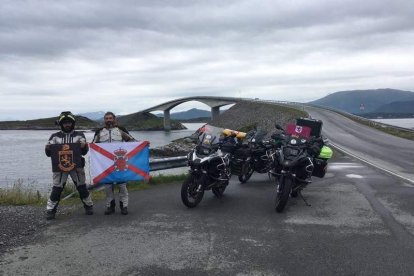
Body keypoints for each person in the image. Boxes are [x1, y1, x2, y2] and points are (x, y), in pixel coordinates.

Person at [45, 111, 93, 220]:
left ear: (73, 123)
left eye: (69, 122)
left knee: (82, 187)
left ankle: (88, 205)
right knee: (57, 188)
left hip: (77, 166)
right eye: (65, 122)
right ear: (61, 123)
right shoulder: (54, 136)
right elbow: (49, 154)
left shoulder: (80, 135)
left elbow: (84, 152)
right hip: (60, 167)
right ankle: (50, 209)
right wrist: (47, 148)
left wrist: (84, 146)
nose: (67, 124)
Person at [92, 111, 135, 215]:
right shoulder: (99, 132)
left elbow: (132, 141)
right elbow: (93, 146)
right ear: (104, 120)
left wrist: (143, 144)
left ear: (114, 119)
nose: (108, 120)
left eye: (110, 118)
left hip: (120, 163)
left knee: (122, 186)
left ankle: (124, 206)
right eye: (106, 118)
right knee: (108, 187)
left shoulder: (121, 130)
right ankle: (110, 207)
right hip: (105, 165)